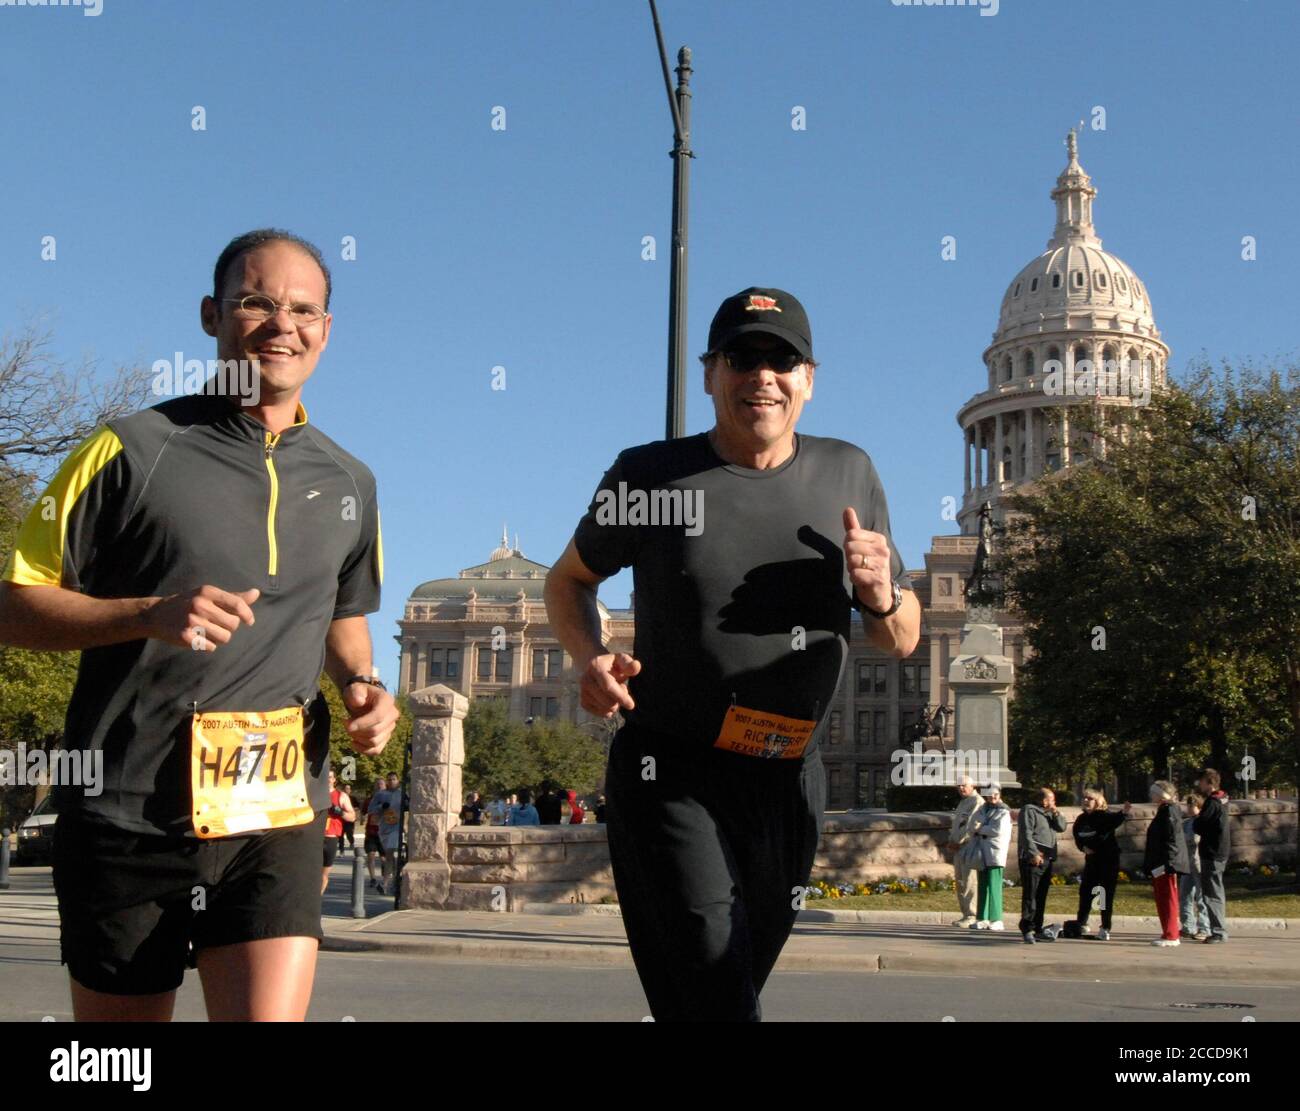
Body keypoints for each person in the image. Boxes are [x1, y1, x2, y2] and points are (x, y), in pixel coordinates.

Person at [0, 228, 398, 1021]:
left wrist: (362, 683)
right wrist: (149, 612)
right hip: (128, 807)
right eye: (256, 302)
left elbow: (341, 613)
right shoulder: (128, 448)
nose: (282, 324)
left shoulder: (351, 479)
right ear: (213, 314)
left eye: (303, 309)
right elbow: (12, 604)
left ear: (326, 330)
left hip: (274, 811)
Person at [547, 287, 921, 1020]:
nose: (762, 376)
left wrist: (879, 591)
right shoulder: (650, 476)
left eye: (781, 358)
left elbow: (901, 636)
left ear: (809, 377)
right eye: (741, 357)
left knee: (723, 989)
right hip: (672, 771)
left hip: (789, 784)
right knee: (717, 986)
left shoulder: (850, 472)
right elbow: (568, 581)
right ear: (710, 372)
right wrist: (588, 655)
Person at [1070, 788, 1130, 940]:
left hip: (1108, 861)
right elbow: (1078, 838)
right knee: (1086, 892)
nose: (1085, 801)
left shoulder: (1104, 816)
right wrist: (1083, 847)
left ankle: (1105, 927)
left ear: (1098, 802)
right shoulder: (1081, 819)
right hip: (1091, 861)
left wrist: (1124, 812)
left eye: (1089, 798)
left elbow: (1115, 820)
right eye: (1084, 798)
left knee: (1103, 894)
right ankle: (1081, 923)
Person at [1018, 787, 1068, 943]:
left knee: (1041, 895)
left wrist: (1056, 812)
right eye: (1051, 799)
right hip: (1033, 859)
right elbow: (1026, 833)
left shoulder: (1049, 813)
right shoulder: (1029, 810)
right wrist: (1032, 853)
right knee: (1030, 895)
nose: (1053, 802)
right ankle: (1027, 928)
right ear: (1042, 799)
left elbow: (1062, 827)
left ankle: (1037, 927)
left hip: (1047, 858)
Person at [1143, 780, 1190, 947]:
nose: (1151, 795)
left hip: (1166, 863)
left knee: (1168, 898)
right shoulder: (1165, 810)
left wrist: (1170, 863)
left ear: (1162, 794)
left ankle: (1171, 935)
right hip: (1160, 863)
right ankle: (1167, 932)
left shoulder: (1169, 811)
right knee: (1162, 898)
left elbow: (1172, 839)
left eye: (1154, 792)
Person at [1192, 767, 1231, 944]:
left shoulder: (1212, 802)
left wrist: (1196, 818)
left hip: (1212, 852)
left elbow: (1199, 826)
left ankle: (1218, 931)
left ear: (1209, 782)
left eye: (1201, 781)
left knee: (1212, 893)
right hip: (1220, 851)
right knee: (1217, 891)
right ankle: (1218, 929)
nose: (1199, 784)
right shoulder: (1223, 798)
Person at [967, 784, 1011, 931]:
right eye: (989, 794)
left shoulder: (1004, 812)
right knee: (982, 885)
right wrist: (980, 828)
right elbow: (972, 825)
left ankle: (996, 918)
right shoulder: (981, 809)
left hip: (995, 853)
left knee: (994, 886)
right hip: (981, 853)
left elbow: (997, 830)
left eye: (995, 794)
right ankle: (982, 917)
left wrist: (980, 828)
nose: (992, 797)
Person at [945, 775, 984, 928]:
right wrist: (952, 840)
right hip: (958, 849)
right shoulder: (963, 802)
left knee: (969, 882)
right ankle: (965, 914)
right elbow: (958, 825)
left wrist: (959, 842)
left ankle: (972, 915)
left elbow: (972, 826)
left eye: (964, 785)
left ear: (972, 786)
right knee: (960, 882)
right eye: (958, 786)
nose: (961, 788)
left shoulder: (977, 802)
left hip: (969, 848)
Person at [1180, 793, 1211, 941]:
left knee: (1201, 897)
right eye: (1188, 806)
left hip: (1199, 863)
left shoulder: (1202, 822)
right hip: (1187, 864)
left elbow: (1197, 840)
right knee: (1185, 894)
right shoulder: (1186, 823)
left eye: (1193, 806)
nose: (1190, 809)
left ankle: (1204, 928)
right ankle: (1187, 926)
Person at [367, 771, 403, 895]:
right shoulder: (380, 795)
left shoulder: (402, 794)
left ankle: (385, 883)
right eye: (389, 779)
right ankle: (394, 880)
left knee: (389, 853)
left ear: (398, 781)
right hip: (383, 829)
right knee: (389, 856)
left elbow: (411, 807)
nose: (391, 781)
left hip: (397, 828)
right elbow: (370, 809)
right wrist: (381, 806)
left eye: (393, 779)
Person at [322, 769, 356, 894]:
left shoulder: (341, 796)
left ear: (334, 780)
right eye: (325, 776)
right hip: (315, 837)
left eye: (330, 777)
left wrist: (339, 812)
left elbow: (352, 817)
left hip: (330, 838)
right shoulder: (313, 793)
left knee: (323, 875)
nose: (327, 779)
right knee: (309, 872)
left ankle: (317, 900)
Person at [362, 776, 386, 888]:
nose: (379, 786)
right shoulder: (369, 800)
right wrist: (363, 819)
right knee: (370, 856)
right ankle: (372, 878)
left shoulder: (388, 800)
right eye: (377, 784)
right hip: (371, 832)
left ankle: (384, 877)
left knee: (384, 858)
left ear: (385, 786)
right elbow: (363, 814)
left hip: (384, 833)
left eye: (381, 784)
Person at [339, 783, 357, 854]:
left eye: (348, 788)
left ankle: (351, 842)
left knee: (349, 832)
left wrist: (351, 809)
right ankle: (341, 850)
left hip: (349, 819)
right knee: (340, 835)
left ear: (350, 790)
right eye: (346, 788)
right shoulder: (341, 797)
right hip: (341, 819)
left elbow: (357, 807)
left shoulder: (353, 798)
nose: (347, 790)